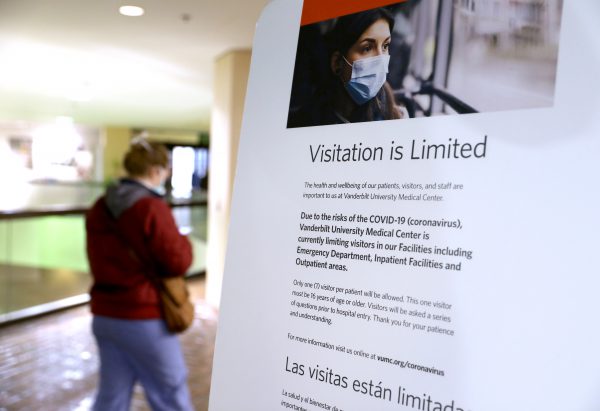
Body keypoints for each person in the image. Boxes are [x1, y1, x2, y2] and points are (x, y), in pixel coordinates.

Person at [85, 140, 194, 411]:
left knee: (111, 399)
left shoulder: (100, 206)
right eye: (167, 170)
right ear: (156, 170)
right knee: (171, 396)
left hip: (105, 315)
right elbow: (178, 262)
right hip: (144, 318)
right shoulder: (151, 208)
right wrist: (183, 240)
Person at [288, 7, 406, 127]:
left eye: (385, 46)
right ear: (337, 63)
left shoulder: (395, 117)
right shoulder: (304, 123)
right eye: (367, 48)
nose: (380, 59)